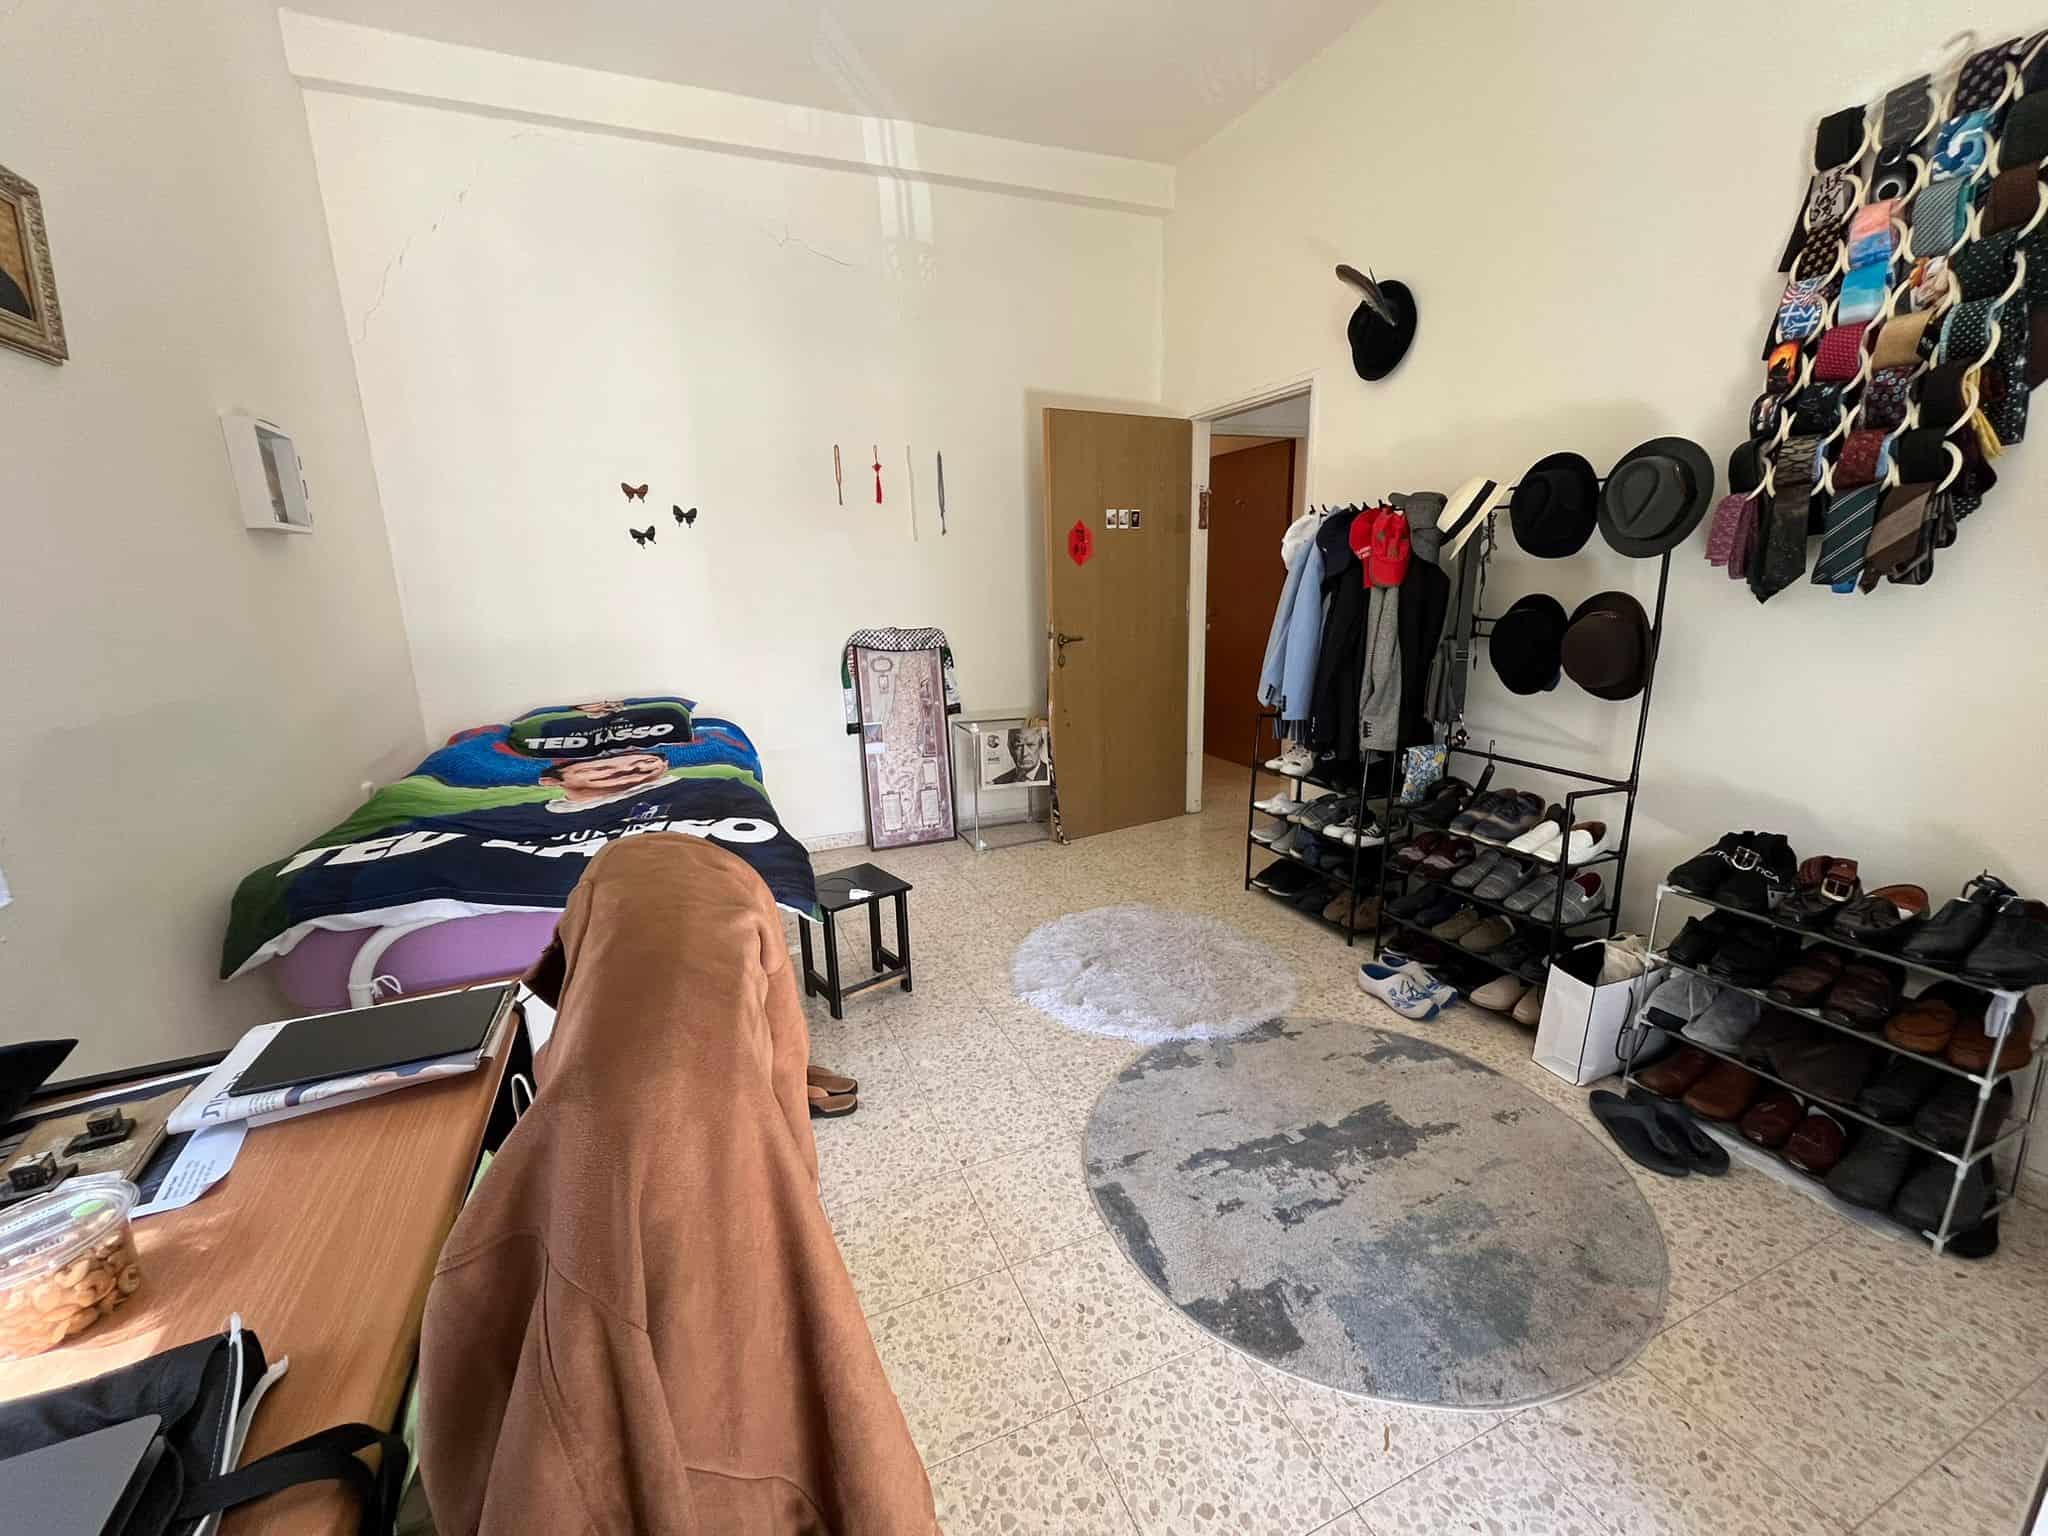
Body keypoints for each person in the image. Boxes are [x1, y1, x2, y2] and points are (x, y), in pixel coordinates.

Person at [538, 749, 676, 812]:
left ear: (665, 764)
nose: (625, 770)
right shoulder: (532, 815)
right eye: (599, 769)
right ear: (551, 781)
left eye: (647, 761)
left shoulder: (687, 790)